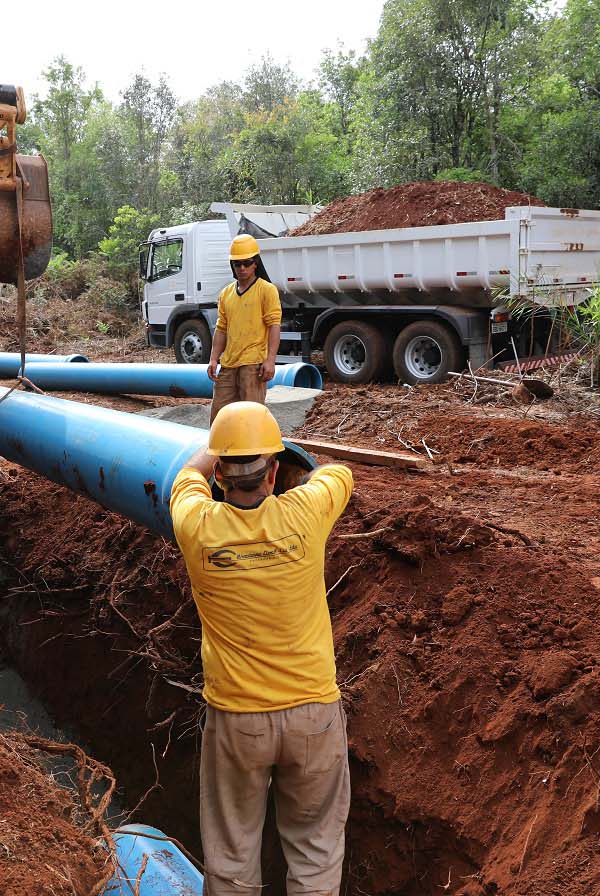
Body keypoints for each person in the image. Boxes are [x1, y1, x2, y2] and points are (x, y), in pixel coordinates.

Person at [169, 401, 354, 896]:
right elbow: (337, 473)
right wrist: (285, 459)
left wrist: (218, 448)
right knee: (315, 852)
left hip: (238, 721)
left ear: (222, 478)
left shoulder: (195, 524)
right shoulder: (308, 512)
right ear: (274, 472)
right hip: (313, 714)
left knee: (232, 857)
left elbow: (187, 473)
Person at [206, 235, 282, 422]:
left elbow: (274, 325)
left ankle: (254, 451)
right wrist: (213, 359)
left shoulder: (266, 290)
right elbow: (221, 329)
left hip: (253, 365)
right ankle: (222, 450)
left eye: (246, 263)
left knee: (252, 418)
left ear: (255, 263)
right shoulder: (226, 294)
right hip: (229, 364)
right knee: (220, 417)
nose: (242, 268)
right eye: (237, 264)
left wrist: (270, 360)